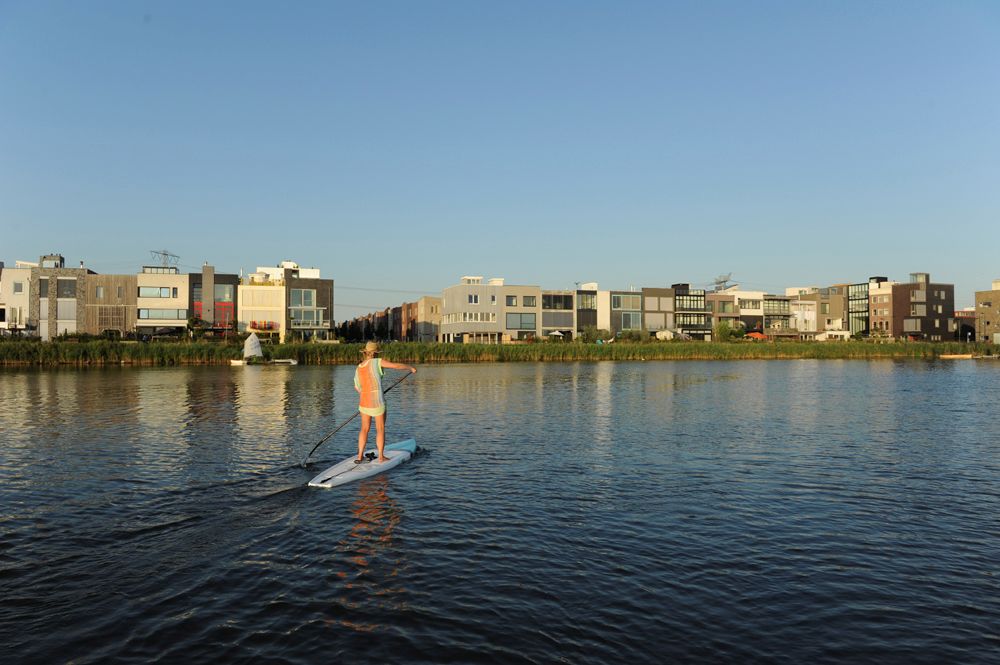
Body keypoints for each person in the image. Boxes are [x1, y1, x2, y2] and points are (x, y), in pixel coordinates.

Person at [355, 341, 416, 464]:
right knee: (380, 429)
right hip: (377, 402)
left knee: (364, 429)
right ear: (376, 353)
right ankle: (381, 456)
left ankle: (359, 456)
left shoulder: (359, 366)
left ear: (366, 352)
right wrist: (410, 368)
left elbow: (357, 387)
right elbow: (396, 366)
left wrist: (366, 393)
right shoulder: (377, 362)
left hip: (363, 403)